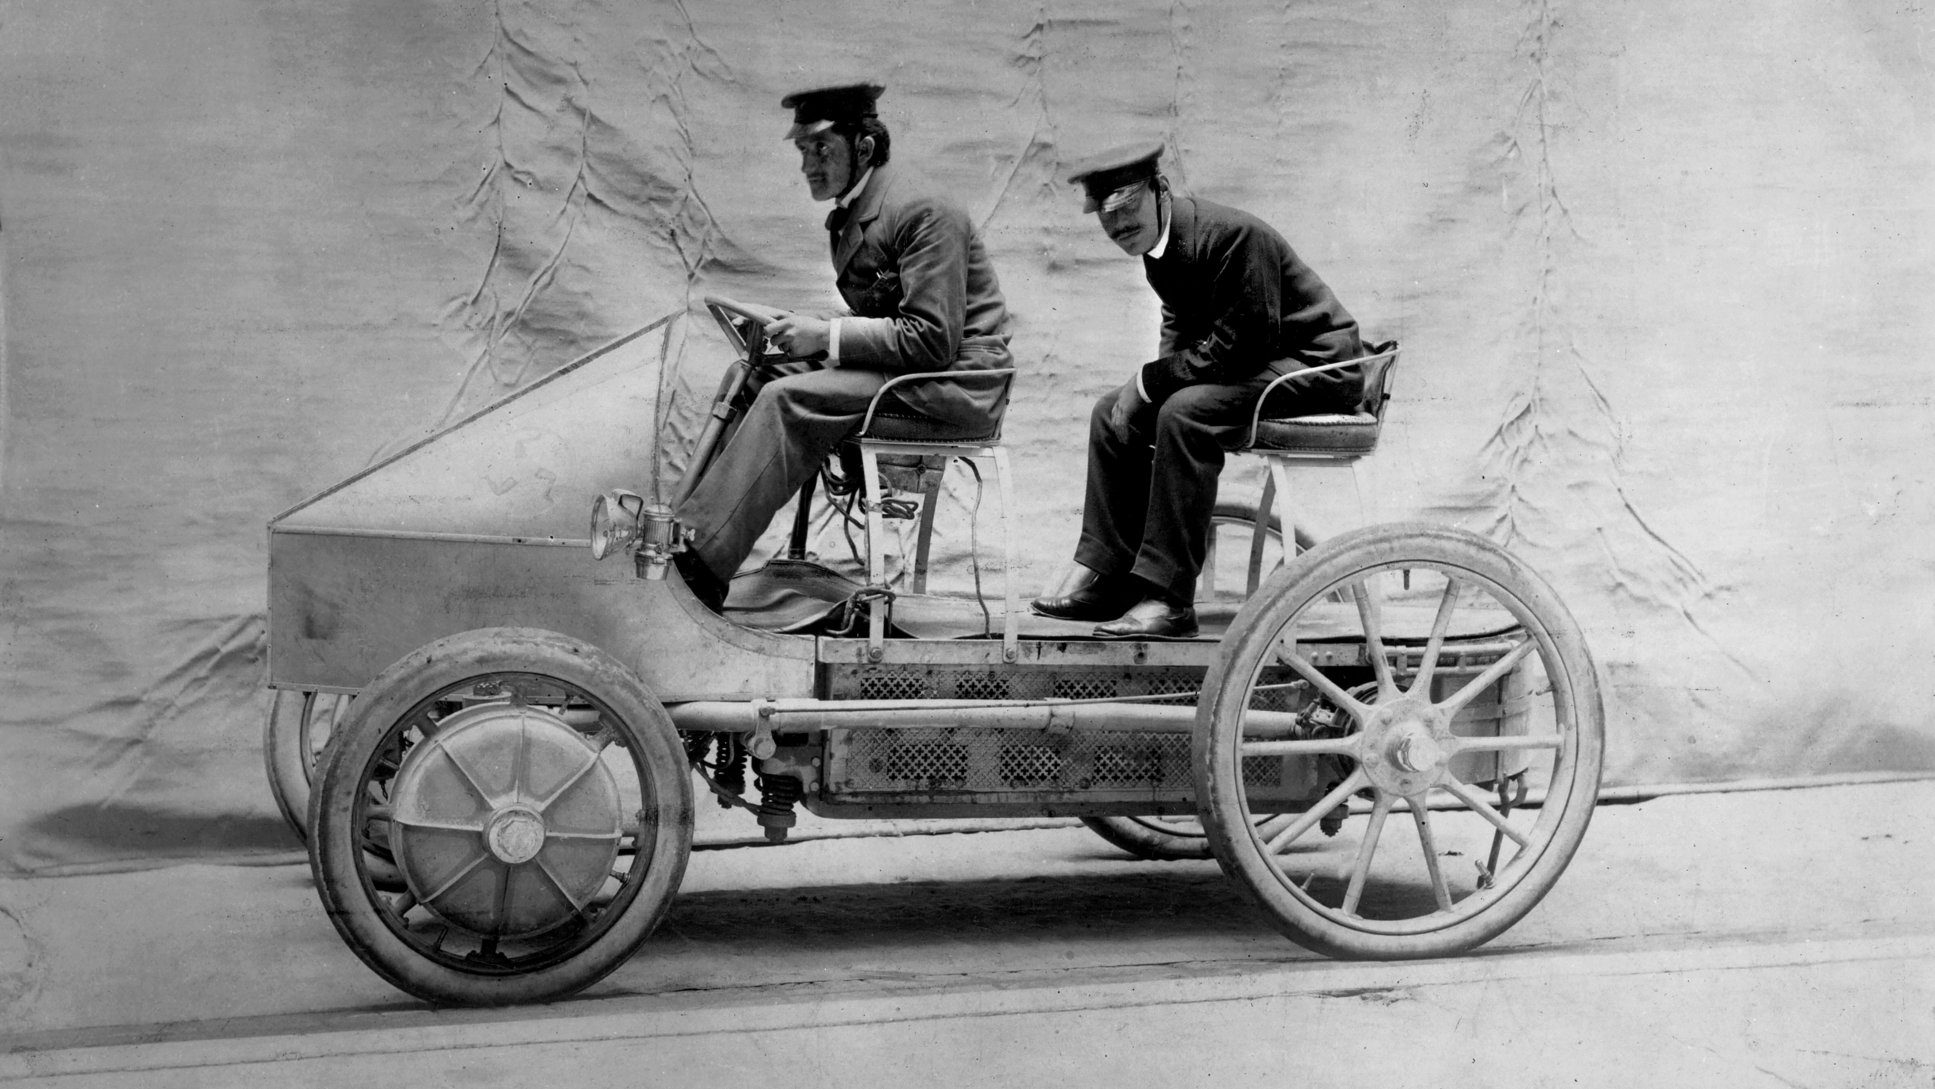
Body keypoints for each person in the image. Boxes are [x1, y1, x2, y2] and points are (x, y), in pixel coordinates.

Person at [674, 82, 1016, 610]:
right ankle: (685, 532)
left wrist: (825, 336)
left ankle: (700, 565)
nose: (808, 165)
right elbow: (889, 318)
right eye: (803, 150)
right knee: (755, 375)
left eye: (822, 149)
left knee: (787, 400)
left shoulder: (922, 207)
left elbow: (932, 338)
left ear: (865, 147)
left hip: (957, 383)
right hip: (915, 372)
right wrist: (810, 329)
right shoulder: (863, 205)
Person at [1031, 142, 1364, 639]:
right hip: (1267, 362)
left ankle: (1168, 599)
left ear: (1161, 190)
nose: (1119, 227)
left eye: (1128, 207)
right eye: (1106, 217)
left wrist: (1150, 383)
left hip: (1317, 366)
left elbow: (1246, 345)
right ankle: (1112, 578)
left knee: (1185, 412)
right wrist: (1149, 391)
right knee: (1110, 412)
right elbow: (1182, 326)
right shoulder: (1159, 245)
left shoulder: (1232, 235)